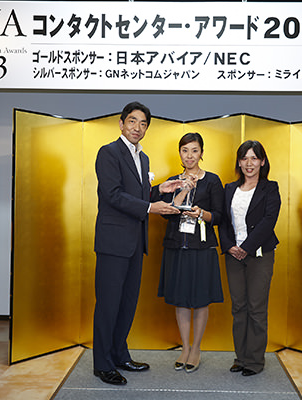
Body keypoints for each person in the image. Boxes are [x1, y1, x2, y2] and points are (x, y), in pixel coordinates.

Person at [93, 101, 183, 385]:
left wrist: (159, 189)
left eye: (143, 124)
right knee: (108, 304)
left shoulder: (142, 158)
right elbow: (113, 194)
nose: (137, 127)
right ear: (121, 124)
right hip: (113, 242)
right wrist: (151, 207)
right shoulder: (108, 152)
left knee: (127, 303)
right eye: (132, 121)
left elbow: (138, 194)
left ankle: (120, 355)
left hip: (135, 242)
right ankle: (102, 364)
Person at [153, 132, 224, 373]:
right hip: (177, 247)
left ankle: (196, 348)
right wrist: (183, 190)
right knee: (181, 298)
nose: (190, 155)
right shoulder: (172, 181)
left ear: (201, 153)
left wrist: (201, 213)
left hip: (202, 248)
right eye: (185, 150)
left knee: (201, 299)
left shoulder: (212, 180)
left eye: (194, 150)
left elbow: (219, 216)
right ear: (180, 154)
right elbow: (166, 212)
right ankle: (184, 347)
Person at [218, 140, 281, 377]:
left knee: (256, 308)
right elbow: (223, 221)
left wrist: (246, 247)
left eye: (254, 158)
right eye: (244, 158)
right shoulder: (229, 189)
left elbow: (268, 221)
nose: (249, 163)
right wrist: (229, 247)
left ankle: (254, 361)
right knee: (238, 307)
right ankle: (241, 358)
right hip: (233, 255)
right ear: (239, 162)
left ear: (262, 161)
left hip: (259, 255)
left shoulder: (270, 188)